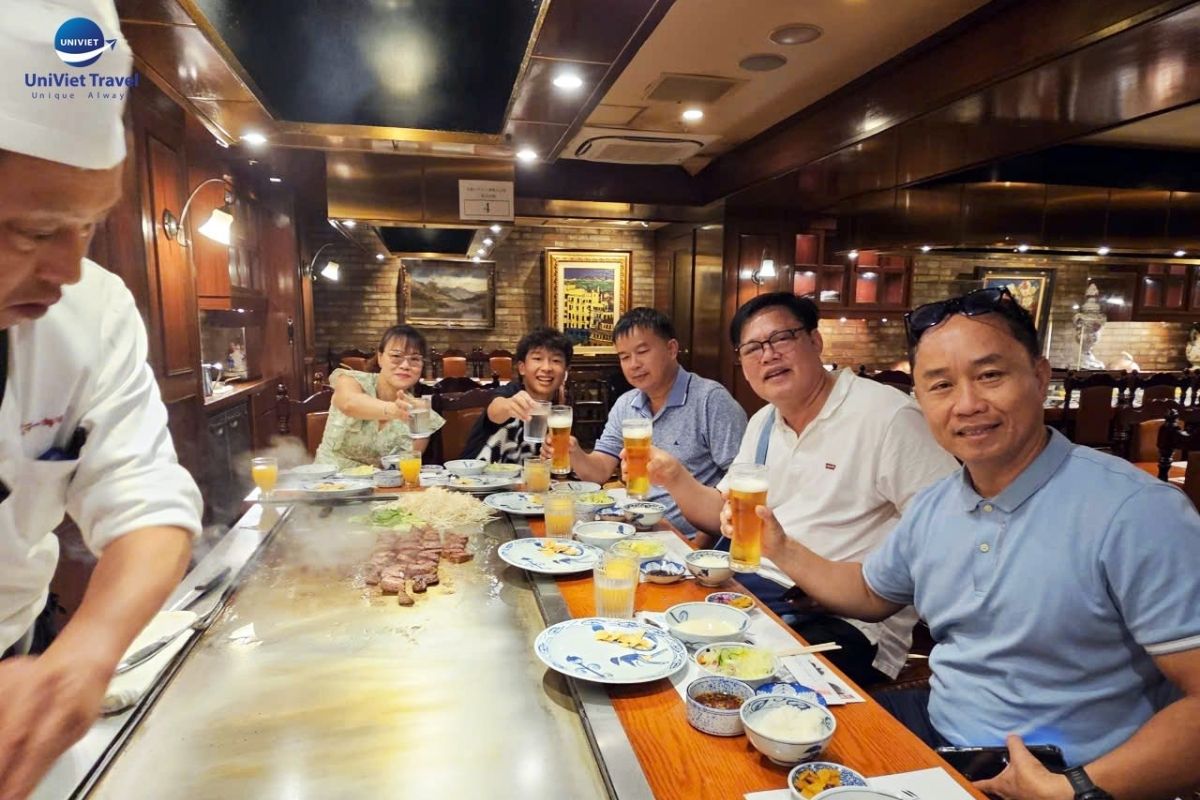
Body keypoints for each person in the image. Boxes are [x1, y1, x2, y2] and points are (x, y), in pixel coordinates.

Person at [723, 286, 1200, 799]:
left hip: (1066, 771)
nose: (968, 404)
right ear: (921, 399)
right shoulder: (938, 503)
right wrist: (780, 545)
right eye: (941, 385)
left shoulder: (1137, 511)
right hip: (941, 727)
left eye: (990, 375)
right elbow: (868, 592)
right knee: (748, 750)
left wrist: (1075, 788)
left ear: (1040, 377)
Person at [0, 3, 204, 797]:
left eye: (87, 227)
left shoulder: (93, 311)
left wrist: (85, 654)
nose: (66, 269)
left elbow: (146, 496)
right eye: (31, 231)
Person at [648, 293, 957, 686]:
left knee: (725, 683)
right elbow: (720, 512)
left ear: (815, 341)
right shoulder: (764, 422)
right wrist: (675, 477)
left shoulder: (888, 416)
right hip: (753, 589)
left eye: (782, 338)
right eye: (753, 348)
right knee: (661, 637)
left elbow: (947, 532)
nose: (769, 355)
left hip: (843, 620)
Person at [545, 307, 746, 537]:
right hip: (639, 531)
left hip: (690, 539)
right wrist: (574, 452)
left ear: (671, 349)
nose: (633, 364)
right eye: (624, 357)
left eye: (642, 352)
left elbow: (738, 485)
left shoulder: (711, 400)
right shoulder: (626, 403)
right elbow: (599, 471)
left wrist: (699, 543)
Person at [315, 325, 444, 470]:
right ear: (380, 358)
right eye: (396, 356)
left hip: (379, 483)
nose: (405, 365)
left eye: (414, 359)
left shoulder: (420, 413)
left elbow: (408, 465)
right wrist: (393, 410)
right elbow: (349, 404)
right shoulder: (351, 380)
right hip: (328, 478)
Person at [460, 326, 572, 463]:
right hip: (476, 474)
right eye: (538, 358)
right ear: (522, 368)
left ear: (565, 372)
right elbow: (495, 410)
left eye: (556, 360)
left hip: (532, 476)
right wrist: (509, 406)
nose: (546, 368)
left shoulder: (563, 411)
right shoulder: (510, 392)